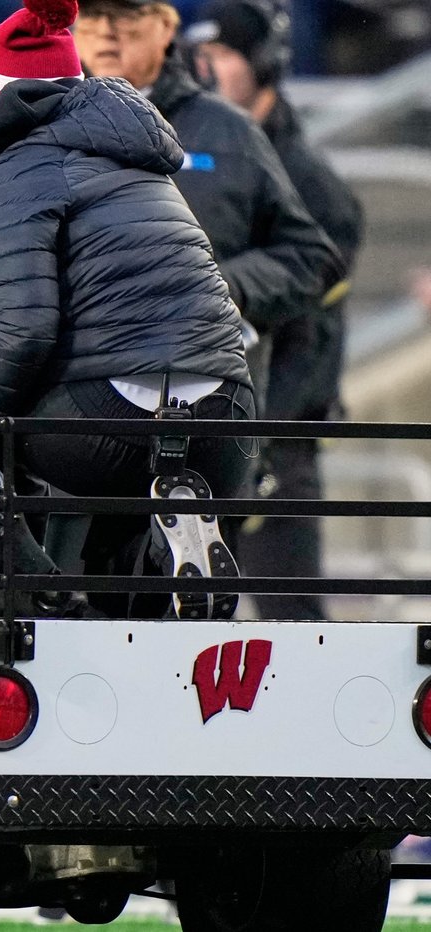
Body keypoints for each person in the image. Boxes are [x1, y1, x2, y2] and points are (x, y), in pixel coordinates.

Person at [0, 0, 255, 619]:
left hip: (115, 424)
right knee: (117, 538)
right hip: (228, 424)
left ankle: (27, 569)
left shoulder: (11, 170)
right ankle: (166, 544)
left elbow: (24, 328)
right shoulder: (141, 161)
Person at [72, 0, 341, 413]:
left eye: (125, 16)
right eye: (92, 17)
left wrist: (223, 288)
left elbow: (311, 257)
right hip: (75, 412)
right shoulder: (46, 128)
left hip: (209, 406)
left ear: (165, 28)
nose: (107, 32)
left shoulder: (229, 131)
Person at [188, 0, 363, 619]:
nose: (206, 67)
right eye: (201, 53)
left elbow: (313, 335)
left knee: (293, 624)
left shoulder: (310, 183)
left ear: (264, 64)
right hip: (216, 428)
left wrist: (274, 433)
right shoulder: (204, 162)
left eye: (224, 54)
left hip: (277, 441)